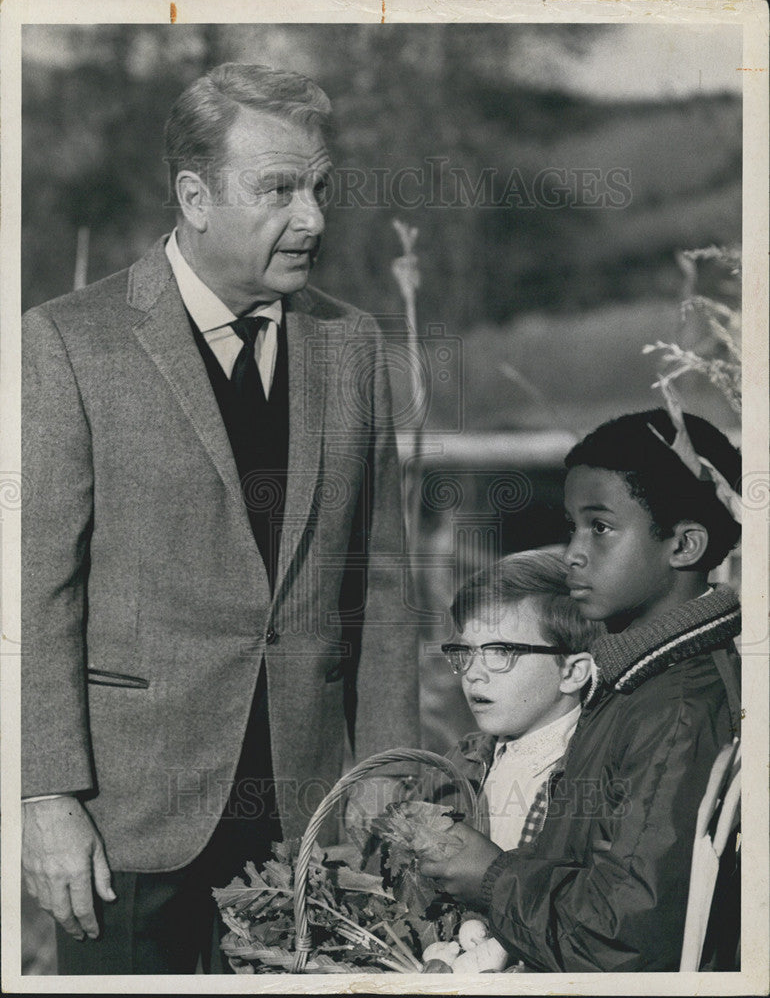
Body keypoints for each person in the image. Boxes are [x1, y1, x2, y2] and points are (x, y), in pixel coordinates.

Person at [21, 62, 419, 974]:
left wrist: (387, 778)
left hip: (311, 825)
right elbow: (36, 591)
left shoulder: (350, 342)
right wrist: (46, 798)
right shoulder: (67, 342)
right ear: (193, 197)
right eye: (279, 189)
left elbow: (381, 581)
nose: (313, 217)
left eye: (320, 188)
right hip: (125, 829)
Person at [419, 402, 742, 972]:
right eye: (573, 526)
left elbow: (626, 941)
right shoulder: (633, 680)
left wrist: (491, 876)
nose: (572, 552)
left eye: (601, 527)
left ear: (684, 546)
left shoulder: (678, 713)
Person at [425, 550, 603, 852]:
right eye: (466, 652)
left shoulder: (591, 777)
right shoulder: (460, 761)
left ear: (572, 672)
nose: (473, 673)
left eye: (502, 652)